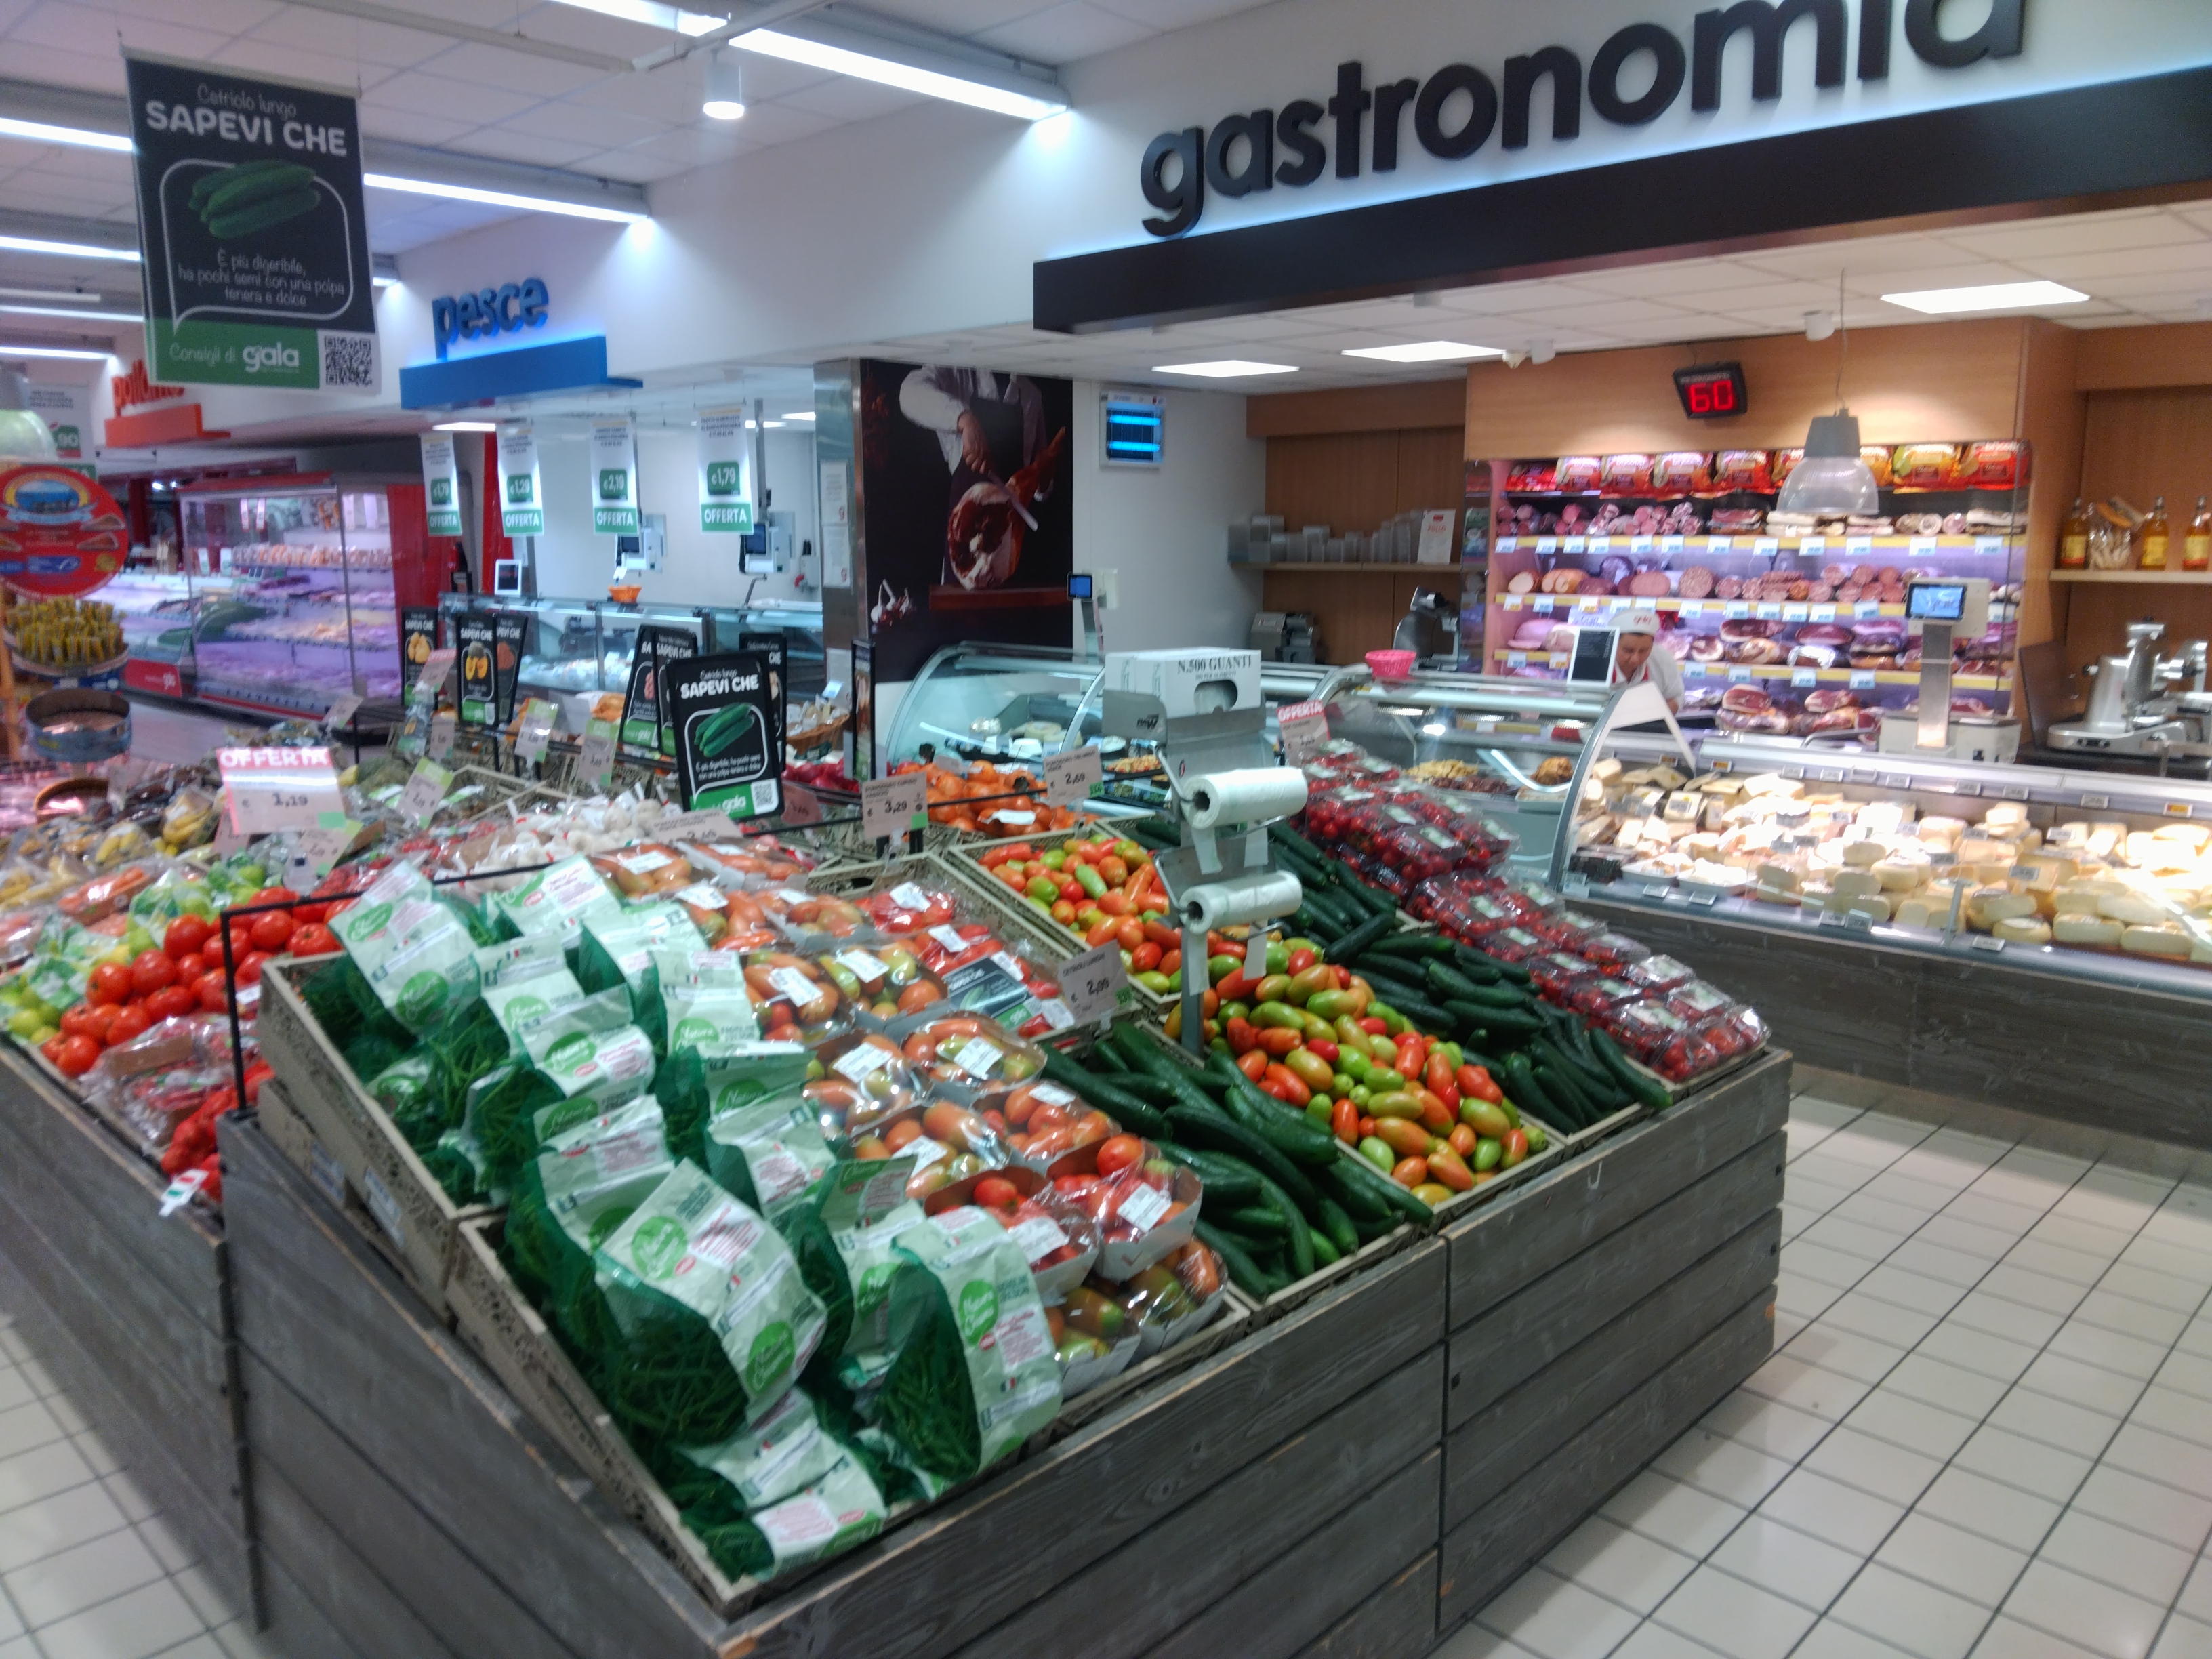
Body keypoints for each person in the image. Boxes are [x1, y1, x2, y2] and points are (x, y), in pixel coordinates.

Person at [1612, 609, 1683, 712]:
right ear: (1613, 643)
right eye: (1628, 650)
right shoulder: (1595, 663)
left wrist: (1652, 716)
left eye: (1644, 651)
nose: (1635, 659)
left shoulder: (1662, 659)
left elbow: (1676, 697)